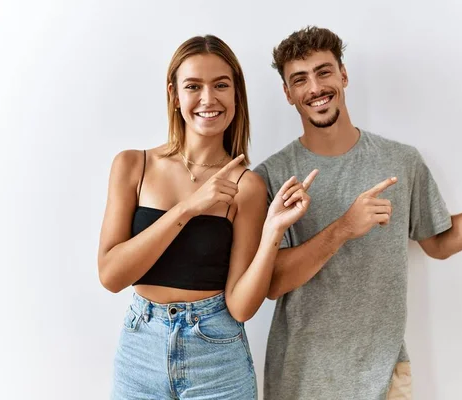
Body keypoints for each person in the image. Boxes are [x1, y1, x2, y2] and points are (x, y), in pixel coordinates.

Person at [254, 26, 462, 400]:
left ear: (343, 75)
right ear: (288, 94)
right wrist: (344, 227)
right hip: (301, 379)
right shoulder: (271, 176)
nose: (315, 87)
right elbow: (271, 283)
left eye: (324, 71)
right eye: (299, 79)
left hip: (383, 377)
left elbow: (440, 243)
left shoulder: (401, 161)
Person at [97, 34, 317, 400]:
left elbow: (241, 307)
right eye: (193, 86)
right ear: (174, 94)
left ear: (235, 94)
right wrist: (189, 208)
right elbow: (111, 275)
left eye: (221, 85)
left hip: (216, 355)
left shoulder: (247, 186)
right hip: (140, 352)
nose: (208, 99)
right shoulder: (133, 165)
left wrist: (272, 232)